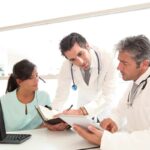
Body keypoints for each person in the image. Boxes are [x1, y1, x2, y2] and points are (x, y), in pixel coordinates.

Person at [73, 34, 150, 150]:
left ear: (144, 64)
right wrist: (114, 121)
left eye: (125, 63)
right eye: (119, 61)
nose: (118, 67)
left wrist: (105, 140)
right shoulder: (136, 82)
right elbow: (121, 110)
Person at [52, 32, 121, 118]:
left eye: (80, 54)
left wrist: (82, 111)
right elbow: (61, 95)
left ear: (87, 46)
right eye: (73, 59)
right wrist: (52, 116)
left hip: (106, 110)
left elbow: (108, 94)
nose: (80, 62)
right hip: (83, 106)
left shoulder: (107, 58)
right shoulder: (67, 65)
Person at [0, 59, 51, 131]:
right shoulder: (3, 101)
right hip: (12, 141)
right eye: (30, 77)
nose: (36, 79)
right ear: (19, 81)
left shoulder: (44, 97)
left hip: (39, 139)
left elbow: (50, 122)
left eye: (36, 75)